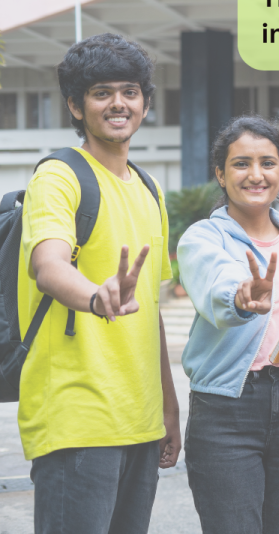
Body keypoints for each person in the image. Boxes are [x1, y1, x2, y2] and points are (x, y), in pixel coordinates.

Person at [18, 33, 180, 534]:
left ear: (146, 103)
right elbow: (49, 265)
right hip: (78, 418)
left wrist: (169, 409)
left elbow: (149, 309)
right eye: (101, 92)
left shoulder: (150, 190)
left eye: (130, 91)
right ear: (75, 104)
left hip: (140, 420)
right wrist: (94, 296)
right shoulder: (59, 177)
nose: (118, 103)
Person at [175, 115, 279, 534]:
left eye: (267, 163)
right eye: (240, 163)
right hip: (226, 410)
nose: (255, 174)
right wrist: (242, 299)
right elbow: (217, 288)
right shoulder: (203, 239)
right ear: (220, 173)